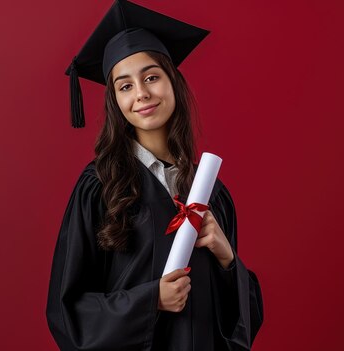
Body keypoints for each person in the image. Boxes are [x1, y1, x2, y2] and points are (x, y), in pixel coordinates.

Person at [46, 1, 264, 350]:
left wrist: (227, 259)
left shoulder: (209, 191)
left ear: (173, 82)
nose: (142, 94)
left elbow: (245, 321)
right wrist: (150, 300)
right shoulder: (100, 186)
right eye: (125, 86)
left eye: (151, 77)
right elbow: (68, 310)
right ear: (115, 101)